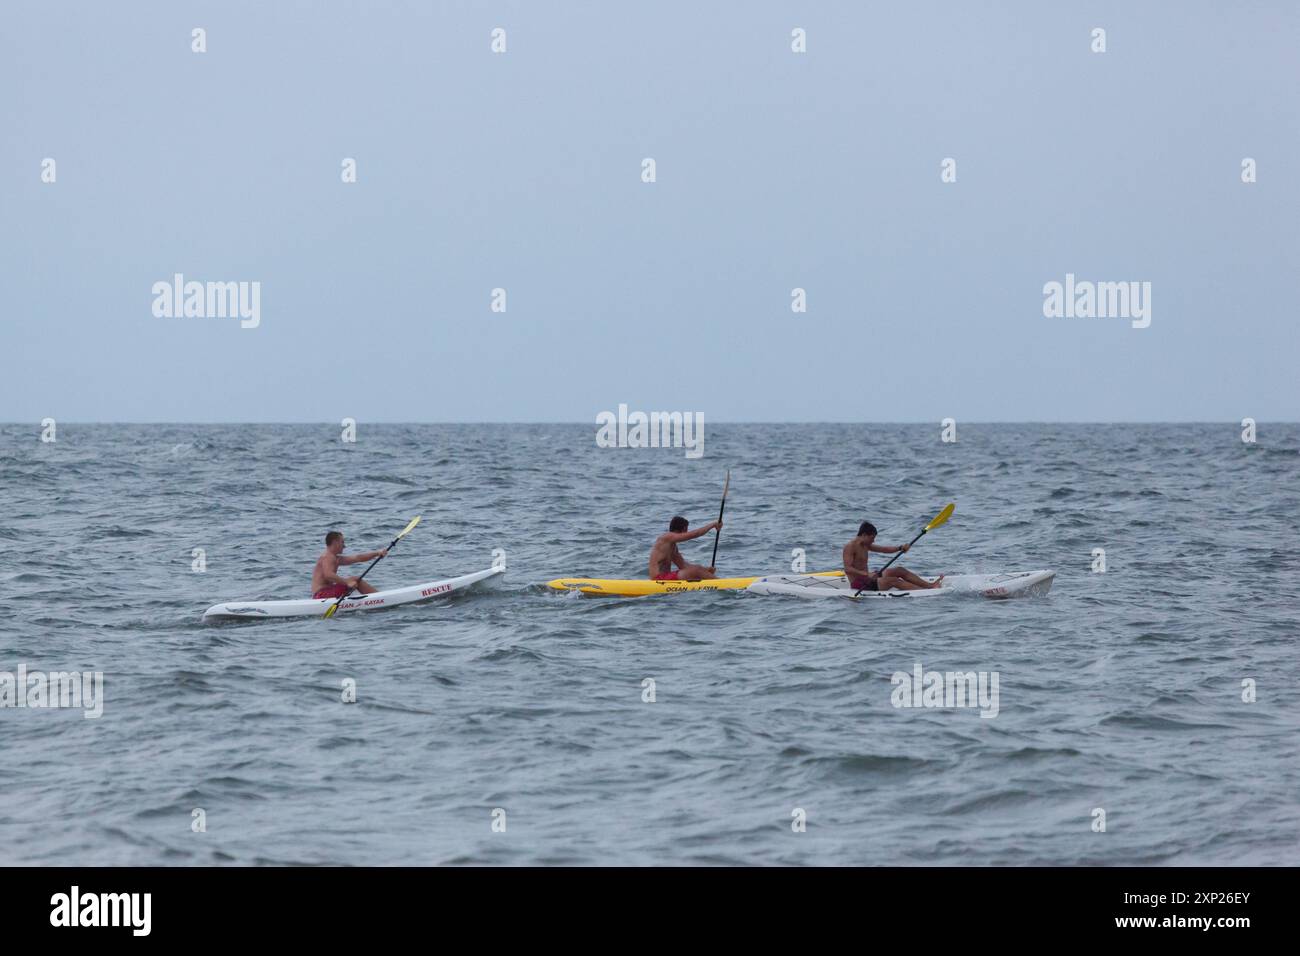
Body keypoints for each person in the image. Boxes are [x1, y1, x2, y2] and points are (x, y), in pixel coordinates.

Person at [843, 521, 943, 592]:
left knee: (899, 570)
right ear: (864, 535)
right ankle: (924, 592)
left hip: (870, 577)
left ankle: (930, 586)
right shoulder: (850, 547)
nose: (873, 541)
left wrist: (900, 548)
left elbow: (884, 549)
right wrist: (866, 574)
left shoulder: (865, 545)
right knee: (894, 581)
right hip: (860, 584)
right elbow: (847, 569)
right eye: (872, 538)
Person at [311, 530, 388, 599]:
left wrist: (377, 553)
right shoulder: (328, 557)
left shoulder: (335, 558)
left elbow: (358, 558)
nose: (344, 546)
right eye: (342, 542)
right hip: (321, 595)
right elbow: (328, 575)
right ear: (335, 542)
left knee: (354, 580)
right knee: (356, 580)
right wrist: (347, 582)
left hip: (325, 593)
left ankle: (376, 597)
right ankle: (379, 598)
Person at [648, 516, 722, 581]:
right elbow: (694, 534)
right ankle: (721, 583)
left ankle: (717, 582)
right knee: (696, 571)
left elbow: (683, 566)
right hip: (658, 579)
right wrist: (713, 525)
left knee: (698, 569)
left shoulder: (672, 547)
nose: (687, 532)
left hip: (666, 578)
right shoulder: (666, 537)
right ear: (683, 529)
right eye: (686, 530)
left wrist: (705, 570)